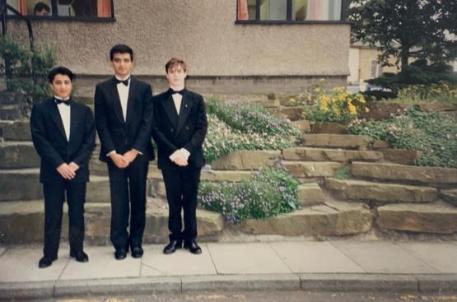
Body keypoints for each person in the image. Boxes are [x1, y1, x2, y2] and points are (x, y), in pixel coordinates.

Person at [30, 66, 95, 268]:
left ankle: (77, 250)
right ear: (52, 85)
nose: (63, 86)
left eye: (66, 82)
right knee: (53, 213)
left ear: (71, 85)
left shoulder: (84, 111)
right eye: (58, 82)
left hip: (77, 169)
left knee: (77, 212)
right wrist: (59, 164)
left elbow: (89, 141)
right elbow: (40, 140)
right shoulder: (41, 110)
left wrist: (74, 164)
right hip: (53, 171)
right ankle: (49, 254)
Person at [94, 44, 154, 260]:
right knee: (118, 200)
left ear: (132, 62)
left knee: (138, 198)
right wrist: (112, 152)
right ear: (111, 62)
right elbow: (101, 123)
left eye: (126, 60)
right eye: (117, 60)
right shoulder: (102, 89)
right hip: (115, 156)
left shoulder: (144, 88)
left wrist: (134, 151)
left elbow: (148, 122)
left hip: (138, 155)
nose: (122, 64)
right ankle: (120, 243)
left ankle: (136, 241)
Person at [151, 58, 208, 255]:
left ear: (185, 74)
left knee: (190, 201)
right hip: (170, 159)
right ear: (166, 75)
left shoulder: (196, 99)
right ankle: (174, 238)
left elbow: (201, 128)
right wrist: (174, 152)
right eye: (172, 71)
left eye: (179, 71)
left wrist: (185, 151)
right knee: (174, 201)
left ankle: (191, 238)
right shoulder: (157, 101)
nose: (175, 74)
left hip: (191, 158)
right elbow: (155, 130)